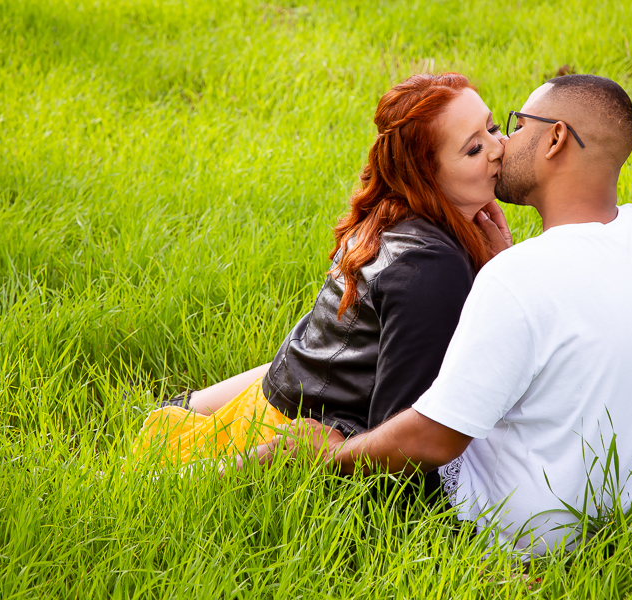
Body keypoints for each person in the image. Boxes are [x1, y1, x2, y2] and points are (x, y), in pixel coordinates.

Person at [279, 74, 632, 556]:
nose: (504, 144)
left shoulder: (518, 278)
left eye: (516, 126)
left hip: (520, 533)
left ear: (556, 138)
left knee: (328, 424)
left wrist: (329, 455)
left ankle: (193, 459)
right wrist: (504, 265)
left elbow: (431, 441)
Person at [130, 72, 515, 468]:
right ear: (426, 174)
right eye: (473, 149)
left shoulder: (396, 217)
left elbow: (314, 352)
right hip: (285, 443)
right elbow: (404, 442)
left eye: (493, 127)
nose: (498, 147)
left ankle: (183, 410)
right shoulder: (431, 266)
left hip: (270, 410)